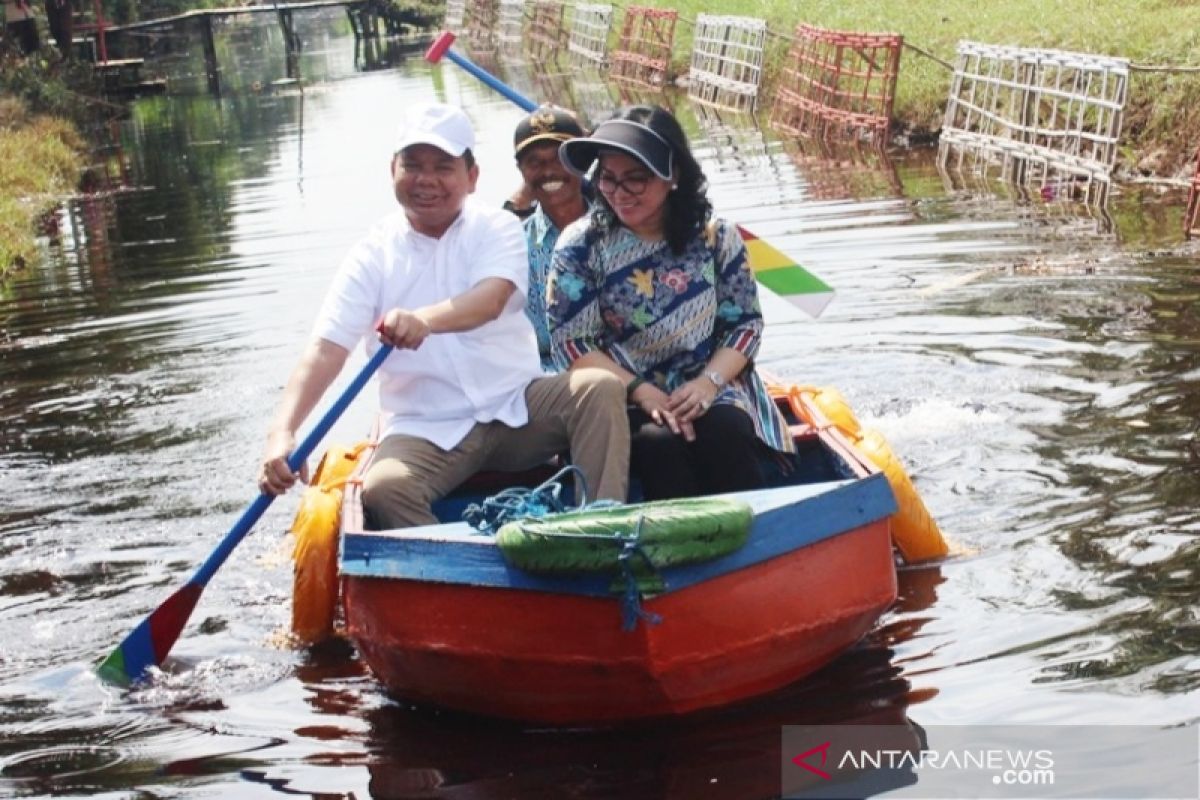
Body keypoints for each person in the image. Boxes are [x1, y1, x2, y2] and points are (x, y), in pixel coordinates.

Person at [259, 102, 630, 528]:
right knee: (385, 488)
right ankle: (454, 574)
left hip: (515, 406)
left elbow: (490, 300)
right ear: (392, 171)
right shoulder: (370, 255)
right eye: (413, 165)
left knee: (599, 389)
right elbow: (325, 351)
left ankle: (600, 531)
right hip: (425, 427)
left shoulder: (497, 228)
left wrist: (424, 321)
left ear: (472, 178)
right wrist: (281, 433)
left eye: (443, 166)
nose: (427, 180)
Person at [548, 104, 795, 501]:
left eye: (636, 180)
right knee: (657, 442)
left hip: (708, 379)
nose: (620, 194)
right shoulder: (580, 246)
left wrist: (707, 384)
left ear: (673, 177)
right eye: (608, 179)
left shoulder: (716, 237)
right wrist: (643, 392)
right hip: (621, 389)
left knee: (726, 431)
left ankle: (753, 538)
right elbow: (574, 343)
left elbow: (744, 325)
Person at [506, 104, 590, 370]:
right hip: (548, 382)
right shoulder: (513, 245)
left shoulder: (621, 227)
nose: (548, 171)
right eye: (534, 162)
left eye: (559, 158)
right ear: (520, 170)